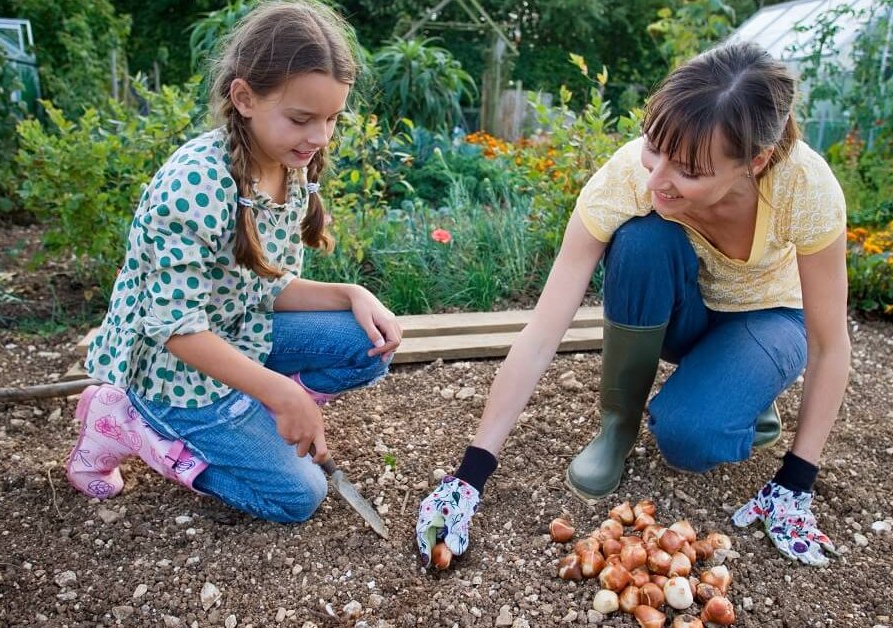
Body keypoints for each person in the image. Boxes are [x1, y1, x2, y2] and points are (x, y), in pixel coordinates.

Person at [416, 42, 849, 567]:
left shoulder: (804, 187)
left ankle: (743, 386)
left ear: (754, 162)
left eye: (687, 169)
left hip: (769, 318)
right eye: (652, 146)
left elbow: (829, 345)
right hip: (687, 316)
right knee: (642, 239)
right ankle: (617, 427)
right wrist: (471, 473)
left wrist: (796, 482)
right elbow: (543, 329)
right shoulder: (630, 179)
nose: (655, 177)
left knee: (689, 437)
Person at [66, 0, 401, 523]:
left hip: (237, 334)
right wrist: (279, 392)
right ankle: (131, 421)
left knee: (369, 346)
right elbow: (175, 328)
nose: (319, 138)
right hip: (173, 372)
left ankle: (256, 412)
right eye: (301, 118)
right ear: (244, 97)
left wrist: (351, 295)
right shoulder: (195, 185)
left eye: (332, 119)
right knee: (298, 498)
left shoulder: (289, 166)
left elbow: (264, 288)